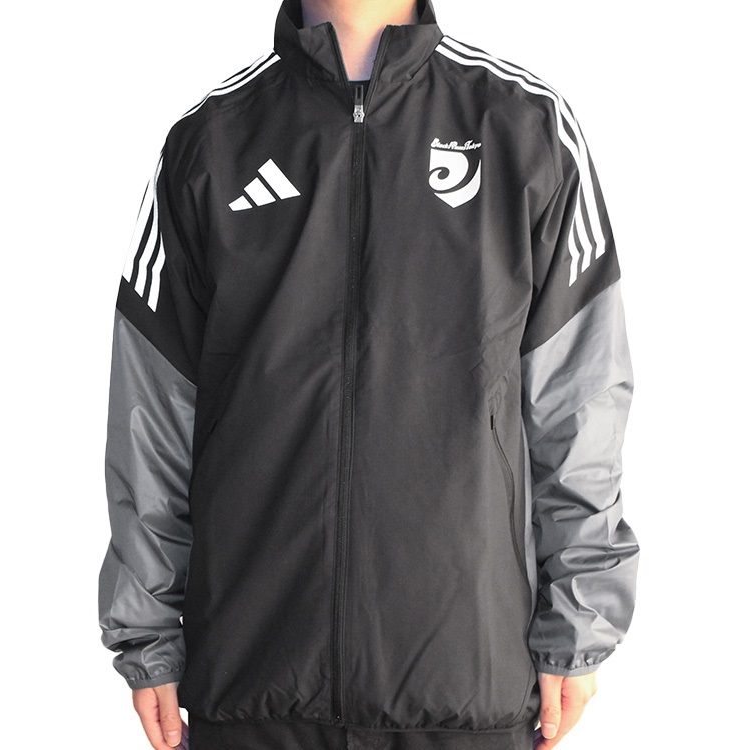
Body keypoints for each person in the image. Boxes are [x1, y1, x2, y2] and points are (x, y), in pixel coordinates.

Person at [98, 1, 640, 749]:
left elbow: (579, 403)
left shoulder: (523, 126)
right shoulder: (211, 139)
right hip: (255, 687)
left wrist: (579, 624)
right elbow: (152, 413)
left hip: (466, 686)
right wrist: (147, 631)